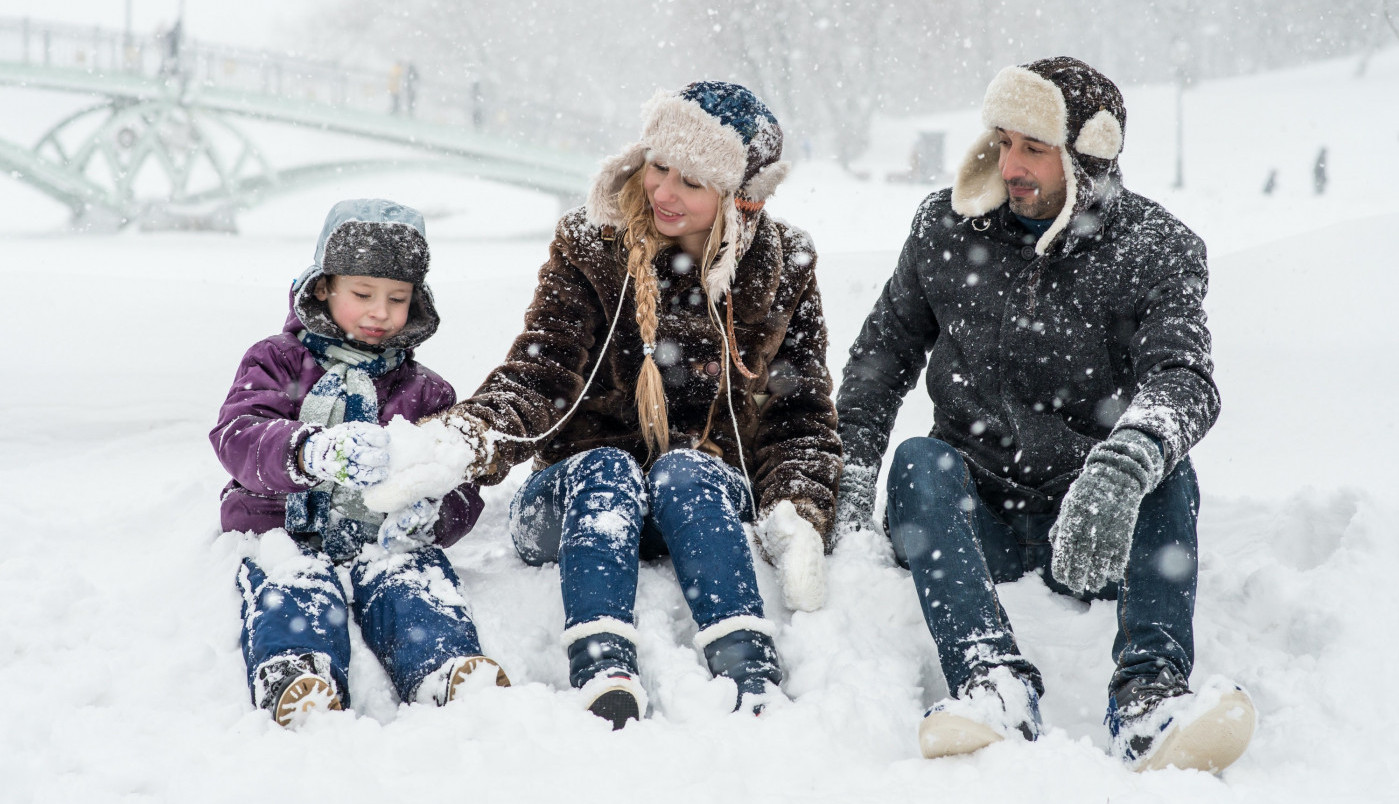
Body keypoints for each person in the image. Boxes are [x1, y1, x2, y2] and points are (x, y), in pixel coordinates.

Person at [834, 57, 1255, 773]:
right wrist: (844, 478)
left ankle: (1150, 698)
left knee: (1166, 466)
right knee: (916, 462)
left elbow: (1184, 378)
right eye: (1002, 141)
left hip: (1094, 528)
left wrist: (1121, 468)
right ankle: (990, 680)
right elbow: (879, 361)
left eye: (1033, 148)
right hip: (973, 519)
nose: (1010, 164)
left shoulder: (1155, 249)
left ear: (1085, 157)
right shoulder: (944, 227)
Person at [422, 81, 841, 728]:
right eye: (659, 166)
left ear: (739, 199)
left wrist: (798, 508)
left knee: (688, 469)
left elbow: (800, 411)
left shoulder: (786, 264)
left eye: (692, 182)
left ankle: (746, 667)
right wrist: (468, 436)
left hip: (695, 505)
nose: (663, 192)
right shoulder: (591, 245)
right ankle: (602, 664)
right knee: (608, 471)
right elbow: (541, 372)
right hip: (577, 499)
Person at [211, 199, 509, 728]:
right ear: (323, 287)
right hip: (281, 526)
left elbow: (458, 482)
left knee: (413, 580)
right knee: (293, 582)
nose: (380, 313)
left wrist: (434, 514)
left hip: (382, 537)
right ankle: (298, 669)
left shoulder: (426, 391)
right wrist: (308, 450)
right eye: (363, 294)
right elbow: (239, 434)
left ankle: (443, 665)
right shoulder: (277, 361)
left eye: (397, 298)